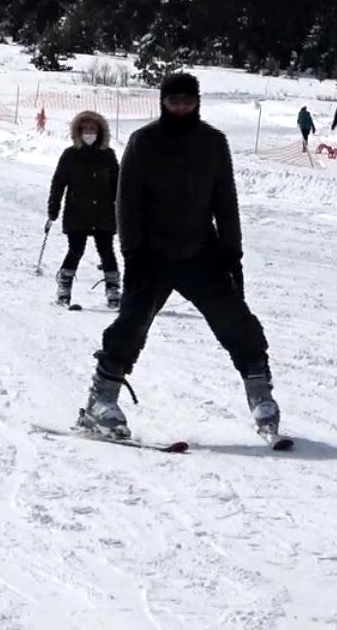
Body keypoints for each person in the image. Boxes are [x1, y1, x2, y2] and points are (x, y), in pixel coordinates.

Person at [77, 72, 280, 441]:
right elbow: (127, 201)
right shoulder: (143, 142)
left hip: (201, 251)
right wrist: (132, 251)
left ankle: (261, 395)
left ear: (197, 102)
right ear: (162, 102)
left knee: (236, 321)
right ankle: (100, 399)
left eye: (187, 101)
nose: (181, 108)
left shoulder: (213, 143)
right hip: (152, 254)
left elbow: (226, 202)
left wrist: (232, 255)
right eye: (174, 102)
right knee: (131, 325)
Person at [47, 111, 120, 309]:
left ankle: (113, 289)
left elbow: (119, 185)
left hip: (103, 212)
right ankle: (64, 285)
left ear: (100, 131)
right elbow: (59, 183)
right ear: (78, 131)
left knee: (107, 251)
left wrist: (124, 209)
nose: (89, 132)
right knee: (75, 250)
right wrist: (53, 208)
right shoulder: (70, 155)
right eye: (86, 128)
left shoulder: (108, 156)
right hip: (76, 212)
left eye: (93, 128)